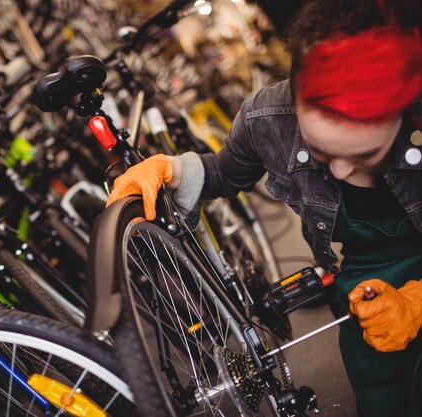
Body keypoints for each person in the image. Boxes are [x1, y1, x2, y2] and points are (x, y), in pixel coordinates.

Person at [105, 0, 422, 416]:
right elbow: (224, 172)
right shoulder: (267, 119)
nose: (342, 171)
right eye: (323, 151)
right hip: (366, 287)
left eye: (366, 154)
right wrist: (169, 169)